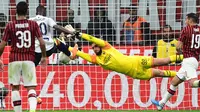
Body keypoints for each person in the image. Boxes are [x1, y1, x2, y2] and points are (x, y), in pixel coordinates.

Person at [62, 25, 184, 80]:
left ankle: (186, 57)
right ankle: (183, 76)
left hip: (137, 61)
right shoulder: (97, 60)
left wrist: (78, 33)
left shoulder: (107, 46)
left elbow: (92, 38)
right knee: (161, 73)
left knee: (163, 61)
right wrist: (65, 47)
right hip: (136, 74)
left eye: (96, 46)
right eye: (93, 48)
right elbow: (80, 54)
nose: (94, 48)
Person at [0, 1, 47, 112]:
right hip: (29, 59)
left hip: (14, 60)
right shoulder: (33, 24)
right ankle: (32, 110)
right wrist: (44, 56)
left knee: (15, 88)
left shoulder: (10, 25)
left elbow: (2, 44)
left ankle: (18, 111)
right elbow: (42, 42)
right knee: (31, 88)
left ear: (16, 11)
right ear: (27, 11)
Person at [151, 13, 200, 111]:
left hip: (188, 60)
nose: (185, 21)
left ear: (190, 20)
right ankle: (161, 103)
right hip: (195, 59)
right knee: (174, 82)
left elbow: (178, 46)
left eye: (186, 19)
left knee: (192, 83)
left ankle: (161, 103)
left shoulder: (186, 29)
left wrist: (180, 51)